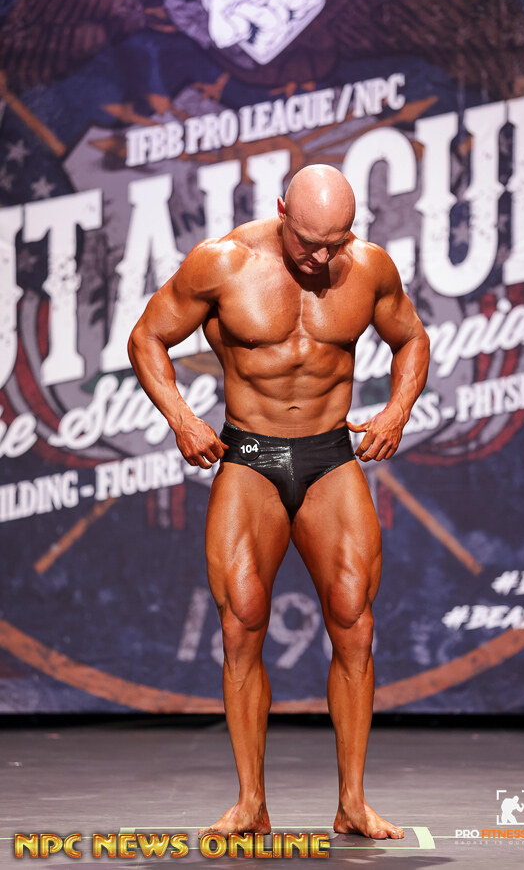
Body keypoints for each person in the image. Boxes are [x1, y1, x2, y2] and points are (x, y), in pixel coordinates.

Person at [128, 164, 430, 840]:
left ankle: (353, 802)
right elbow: (147, 337)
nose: (321, 258)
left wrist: (396, 411)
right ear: (281, 211)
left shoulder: (368, 268)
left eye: (335, 242)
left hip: (330, 456)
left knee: (353, 618)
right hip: (251, 457)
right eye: (308, 242)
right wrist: (181, 418)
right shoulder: (222, 263)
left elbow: (411, 338)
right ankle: (250, 803)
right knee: (242, 619)